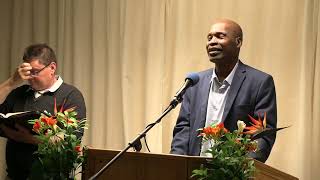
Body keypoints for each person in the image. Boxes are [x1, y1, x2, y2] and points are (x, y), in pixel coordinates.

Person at [170, 19, 277, 163]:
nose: (212, 42)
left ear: (238, 42)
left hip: (232, 173)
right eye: (209, 38)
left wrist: (240, 171)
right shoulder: (195, 82)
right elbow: (183, 128)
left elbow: (262, 136)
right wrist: (177, 165)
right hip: (193, 171)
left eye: (220, 36)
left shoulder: (260, 82)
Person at [0, 43, 86, 180]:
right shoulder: (18, 93)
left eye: (35, 72)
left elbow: (71, 142)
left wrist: (30, 139)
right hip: (13, 175)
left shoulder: (71, 95)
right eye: (27, 73)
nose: (29, 77)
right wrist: (11, 82)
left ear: (52, 68)